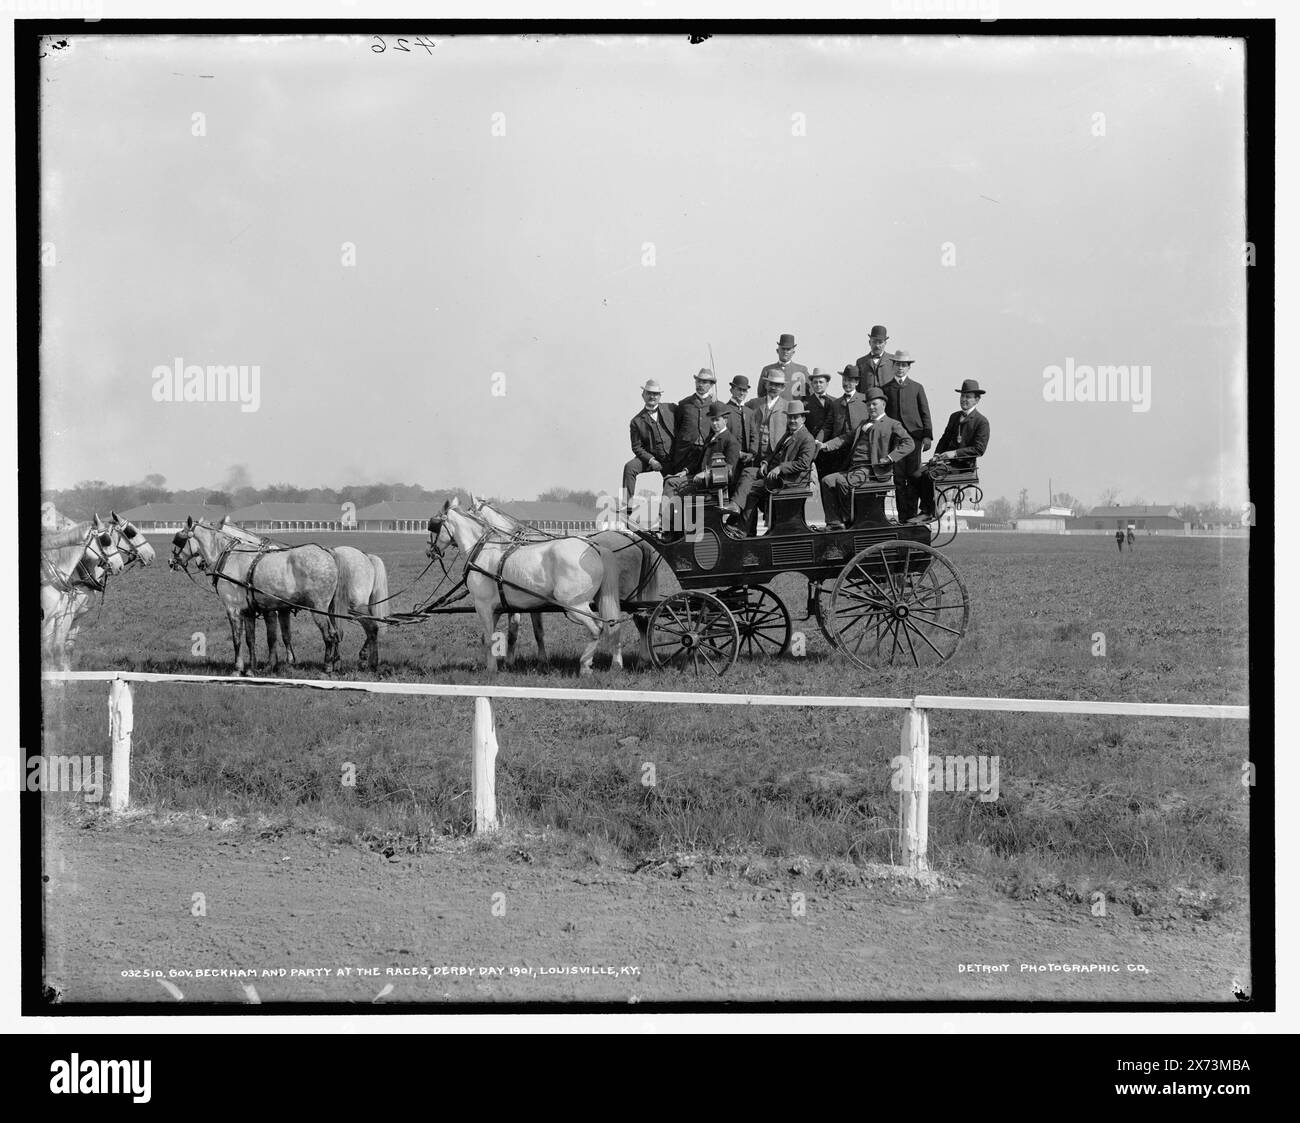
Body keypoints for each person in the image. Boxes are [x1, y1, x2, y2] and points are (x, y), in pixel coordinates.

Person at [817, 387, 914, 529]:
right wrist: (825, 445)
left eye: (874, 404)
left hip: (873, 471)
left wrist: (890, 458)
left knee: (844, 483)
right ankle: (834, 522)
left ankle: (850, 519)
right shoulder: (863, 423)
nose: (871, 407)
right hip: (855, 469)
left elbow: (909, 443)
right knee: (827, 481)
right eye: (868, 405)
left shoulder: (892, 424)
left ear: (883, 405)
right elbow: (845, 438)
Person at [734, 400, 816, 532]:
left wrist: (780, 468)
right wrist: (766, 462)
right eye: (790, 417)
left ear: (803, 419)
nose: (792, 421)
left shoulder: (807, 438)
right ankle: (737, 511)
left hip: (790, 480)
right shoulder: (788, 434)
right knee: (748, 472)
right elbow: (774, 452)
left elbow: (803, 463)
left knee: (752, 489)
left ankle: (744, 529)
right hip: (777, 475)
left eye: (796, 417)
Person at [915, 379, 990, 521]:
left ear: (977, 400)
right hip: (945, 463)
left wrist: (954, 453)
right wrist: (937, 455)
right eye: (962, 396)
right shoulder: (954, 417)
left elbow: (979, 449)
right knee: (915, 474)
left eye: (968, 397)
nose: (964, 399)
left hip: (963, 466)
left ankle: (928, 511)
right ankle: (915, 512)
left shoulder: (982, 422)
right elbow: (944, 438)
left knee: (928, 475)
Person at [881, 349, 933, 523]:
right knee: (899, 479)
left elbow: (925, 412)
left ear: (909, 367)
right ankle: (904, 518)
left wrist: (927, 436)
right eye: (898, 364)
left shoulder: (917, 387)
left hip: (915, 439)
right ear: (893, 366)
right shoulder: (885, 388)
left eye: (904, 365)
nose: (901, 368)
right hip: (896, 441)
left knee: (914, 476)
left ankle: (912, 516)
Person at [664, 400, 742, 501]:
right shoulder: (710, 438)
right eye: (712, 420)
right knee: (669, 479)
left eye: (717, 420)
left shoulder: (731, 441)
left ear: (725, 420)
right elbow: (699, 461)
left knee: (671, 483)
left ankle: (666, 516)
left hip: (712, 484)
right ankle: (670, 515)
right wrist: (685, 471)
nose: (714, 423)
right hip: (698, 478)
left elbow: (728, 470)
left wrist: (706, 474)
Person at [622, 379, 676, 512]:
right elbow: (636, 447)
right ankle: (627, 506)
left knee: (673, 486)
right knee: (630, 467)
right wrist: (651, 460)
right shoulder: (636, 421)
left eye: (655, 394)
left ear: (660, 396)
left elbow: (688, 410)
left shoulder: (671, 409)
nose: (652, 397)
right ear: (643, 395)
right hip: (652, 458)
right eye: (649, 393)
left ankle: (668, 517)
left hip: (673, 458)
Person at [668, 368, 717, 475]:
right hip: (685, 453)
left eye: (704, 382)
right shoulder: (684, 404)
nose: (700, 385)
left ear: (711, 385)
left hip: (705, 452)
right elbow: (678, 426)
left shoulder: (715, 405)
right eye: (698, 381)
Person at [746, 367, 791, 471]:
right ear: (766, 385)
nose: (774, 387)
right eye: (771, 384)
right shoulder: (754, 403)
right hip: (756, 452)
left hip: (775, 454)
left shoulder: (787, 406)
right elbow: (737, 409)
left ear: (783, 388)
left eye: (777, 385)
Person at [757, 333, 811, 401]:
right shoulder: (767, 369)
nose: (785, 352)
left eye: (788, 349)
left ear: (793, 352)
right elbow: (761, 393)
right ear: (777, 351)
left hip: (794, 410)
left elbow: (809, 394)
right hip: (773, 410)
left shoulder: (802, 370)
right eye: (783, 349)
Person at [854, 325, 897, 391]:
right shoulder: (860, 362)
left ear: (885, 343)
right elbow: (857, 387)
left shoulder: (893, 360)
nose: (877, 345)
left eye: (880, 342)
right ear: (869, 342)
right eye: (874, 342)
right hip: (866, 400)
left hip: (887, 400)